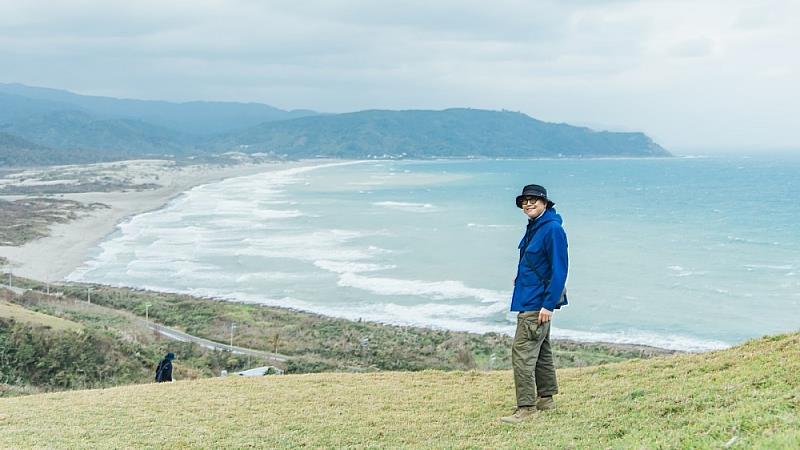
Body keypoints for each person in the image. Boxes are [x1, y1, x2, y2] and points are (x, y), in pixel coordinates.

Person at [500, 184, 568, 424]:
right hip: (530, 295)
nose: (528, 204)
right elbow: (537, 261)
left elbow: (560, 270)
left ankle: (527, 408)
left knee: (522, 354)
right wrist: (521, 276)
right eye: (524, 201)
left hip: (536, 302)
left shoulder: (551, 230)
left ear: (545, 203)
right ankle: (546, 399)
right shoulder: (536, 227)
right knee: (540, 351)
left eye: (534, 200)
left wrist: (548, 304)